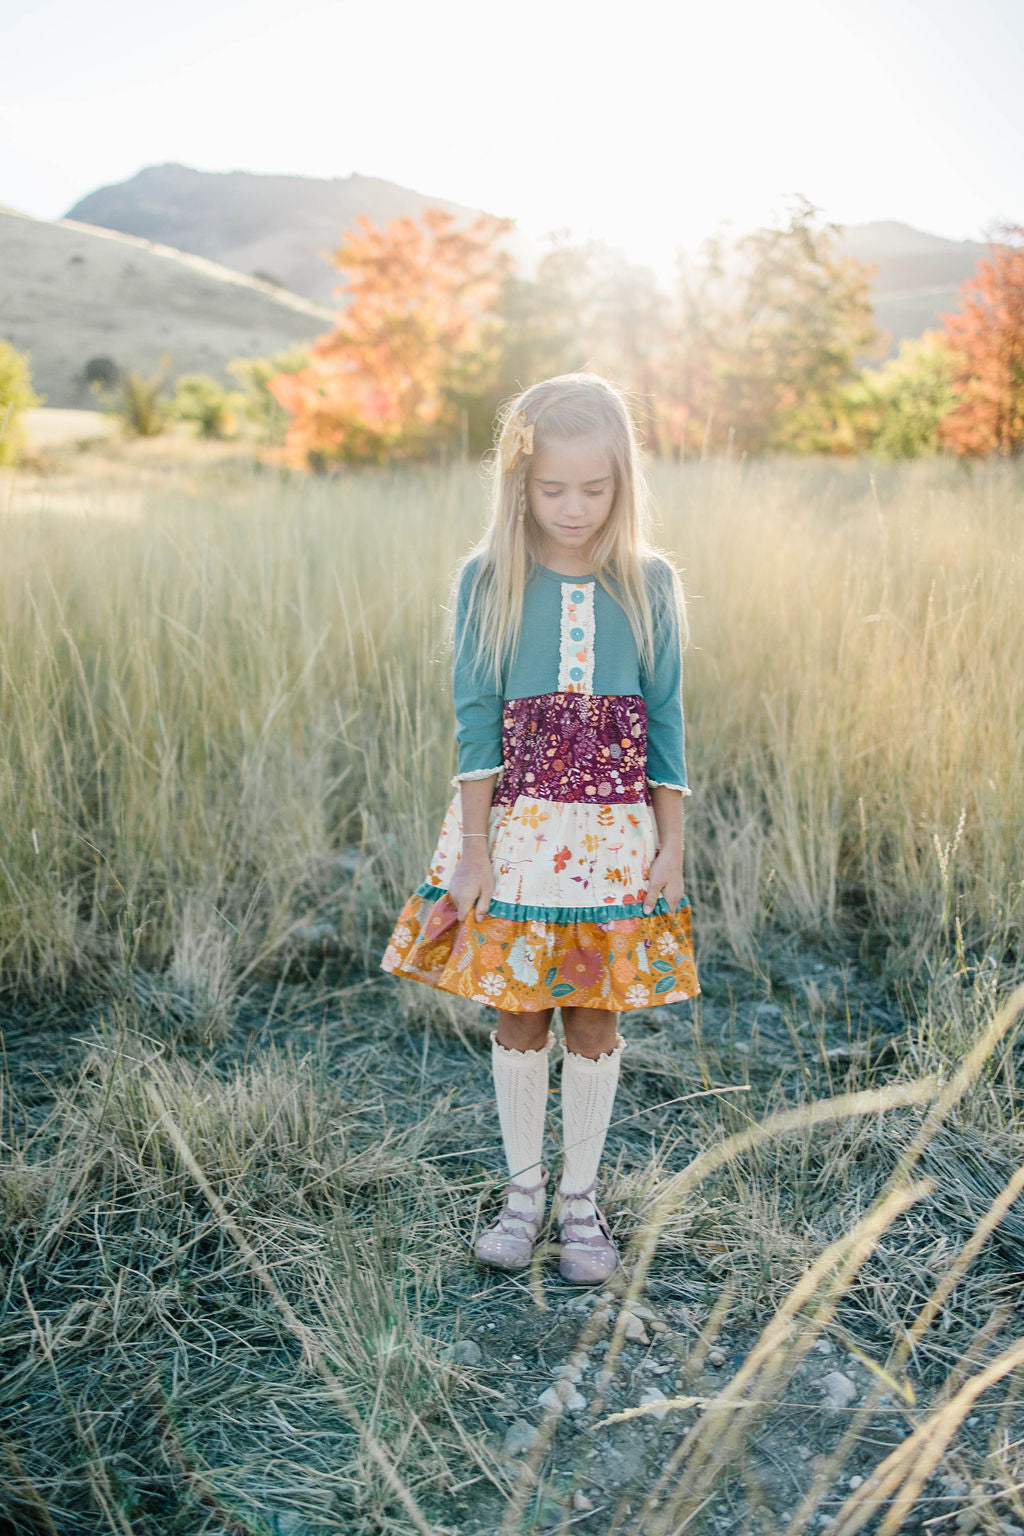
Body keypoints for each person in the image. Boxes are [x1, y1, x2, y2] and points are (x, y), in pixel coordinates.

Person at [381, 372, 700, 1285]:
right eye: (552, 488)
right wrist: (474, 849)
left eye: (593, 490)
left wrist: (671, 839)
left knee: (594, 1013)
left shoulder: (650, 582)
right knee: (519, 1008)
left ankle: (581, 1201)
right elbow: (475, 721)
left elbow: (667, 718)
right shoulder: (491, 578)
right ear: (519, 483)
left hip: (613, 836)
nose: (573, 507)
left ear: (622, 484)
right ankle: (523, 1196)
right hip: (515, 833)